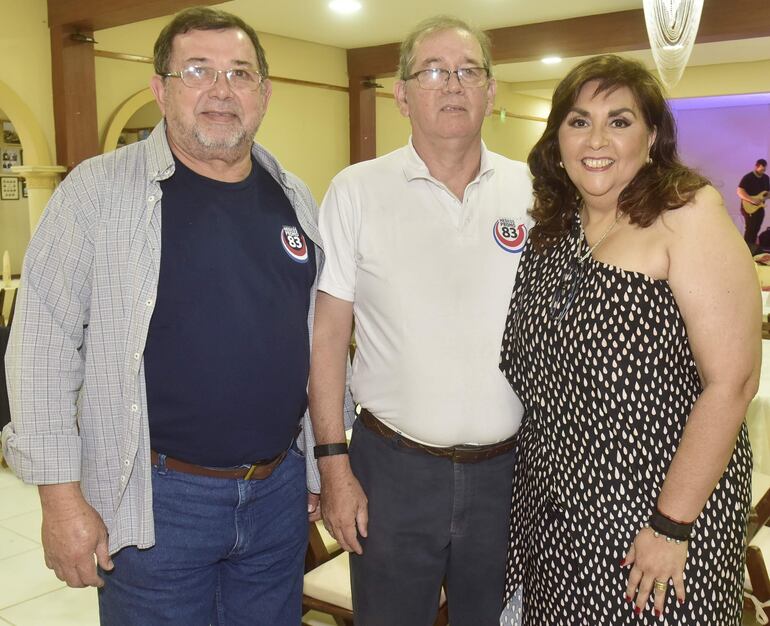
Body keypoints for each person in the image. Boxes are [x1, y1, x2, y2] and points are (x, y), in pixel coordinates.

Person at [1, 7, 344, 625]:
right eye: (197, 71)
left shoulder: (292, 194)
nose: (221, 90)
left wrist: (320, 457)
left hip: (277, 495)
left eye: (240, 73)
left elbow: (316, 340)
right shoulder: (98, 193)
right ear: (160, 89)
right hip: (156, 502)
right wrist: (60, 499)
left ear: (263, 94)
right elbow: (41, 348)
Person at [498, 54, 760, 625]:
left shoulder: (686, 214)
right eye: (578, 120)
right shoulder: (552, 230)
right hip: (556, 516)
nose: (597, 139)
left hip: (657, 517)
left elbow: (732, 382)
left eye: (619, 121)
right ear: (557, 141)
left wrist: (671, 525)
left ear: (651, 137)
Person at [309, 15, 532, 626]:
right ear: (402, 94)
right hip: (393, 473)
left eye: (467, 71)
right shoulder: (356, 190)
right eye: (432, 71)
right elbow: (326, 340)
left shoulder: (535, 190)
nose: (452, 85)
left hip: (510, 474)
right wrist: (333, 465)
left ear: (491, 90)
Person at [738, 158, 770, 254]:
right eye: (761, 169)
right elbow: (740, 191)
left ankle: (752, 250)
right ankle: (745, 251)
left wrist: (763, 198)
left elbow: (767, 193)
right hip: (748, 206)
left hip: (760, 207)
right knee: (750, 229)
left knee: (756, 228)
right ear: (756, 166)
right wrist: (751, 199)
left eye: (764, 169)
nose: (763, 171)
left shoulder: (766, 178)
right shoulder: (748, 177)